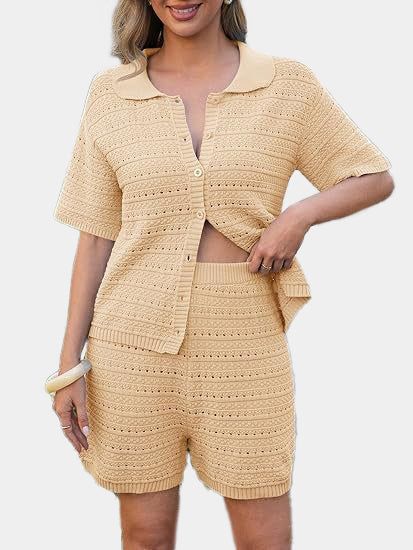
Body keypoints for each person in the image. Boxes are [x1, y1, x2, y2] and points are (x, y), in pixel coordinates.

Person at [49, 1, 394, 548]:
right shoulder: (111, 94)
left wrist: (297, 217)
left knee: (264, 539)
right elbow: (95, 236)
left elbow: (372, 175)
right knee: (145, 536)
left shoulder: (286, 85)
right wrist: (69, 365)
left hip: (245, 341)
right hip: (130, 345)